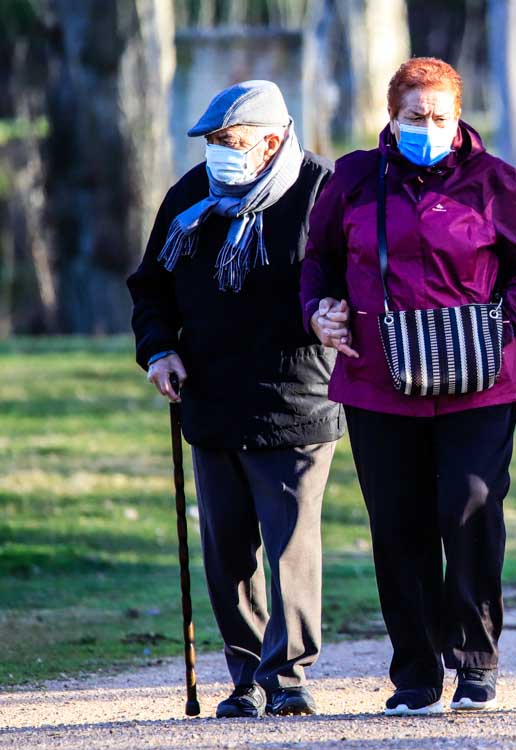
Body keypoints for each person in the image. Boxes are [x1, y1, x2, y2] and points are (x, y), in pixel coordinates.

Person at [300, 57, 516, 715]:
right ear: (391, 116)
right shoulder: (353, 178)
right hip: (377, 378)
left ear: (459, 115)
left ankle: (474, 659)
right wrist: (318, 310)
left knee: (469, 506)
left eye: (440, 116)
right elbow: (319, 262)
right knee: (398, 521)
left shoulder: (495, 181)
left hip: (480, 379)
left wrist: (495, 329)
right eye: (416, 117)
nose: (429, 127)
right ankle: (415, 675)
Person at [128, 80, 341, 718]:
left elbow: (344, 279)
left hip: (296, 396)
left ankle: (290, 675)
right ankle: (246, 676)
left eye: (232, 140)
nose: (219, 152)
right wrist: (159, 349)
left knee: (290, 544)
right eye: (213, 141)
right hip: (212, 396)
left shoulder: (319, 192)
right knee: (228, 547)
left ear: (274, 139)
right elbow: (151, 287)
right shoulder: (191, 196)